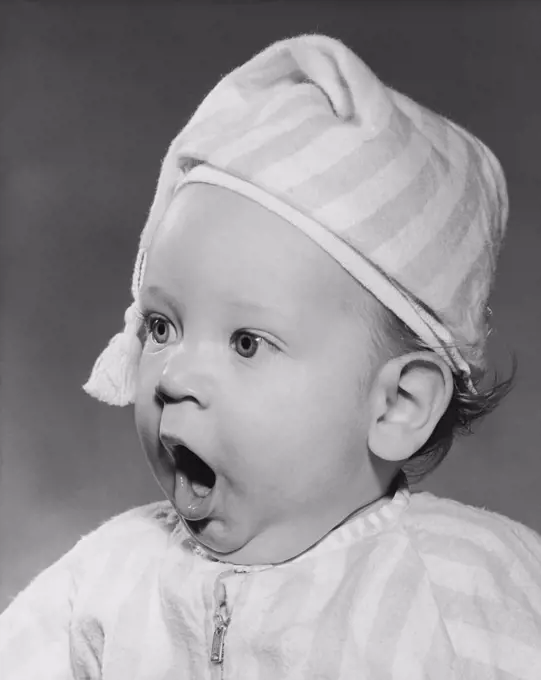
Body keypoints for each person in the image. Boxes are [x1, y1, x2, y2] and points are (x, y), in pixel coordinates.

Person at [1, 33, 540, 679]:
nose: (173, 378)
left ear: (397, 404)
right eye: (161, 326)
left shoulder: (471, 593)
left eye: (246, 343)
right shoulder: (103, 585)